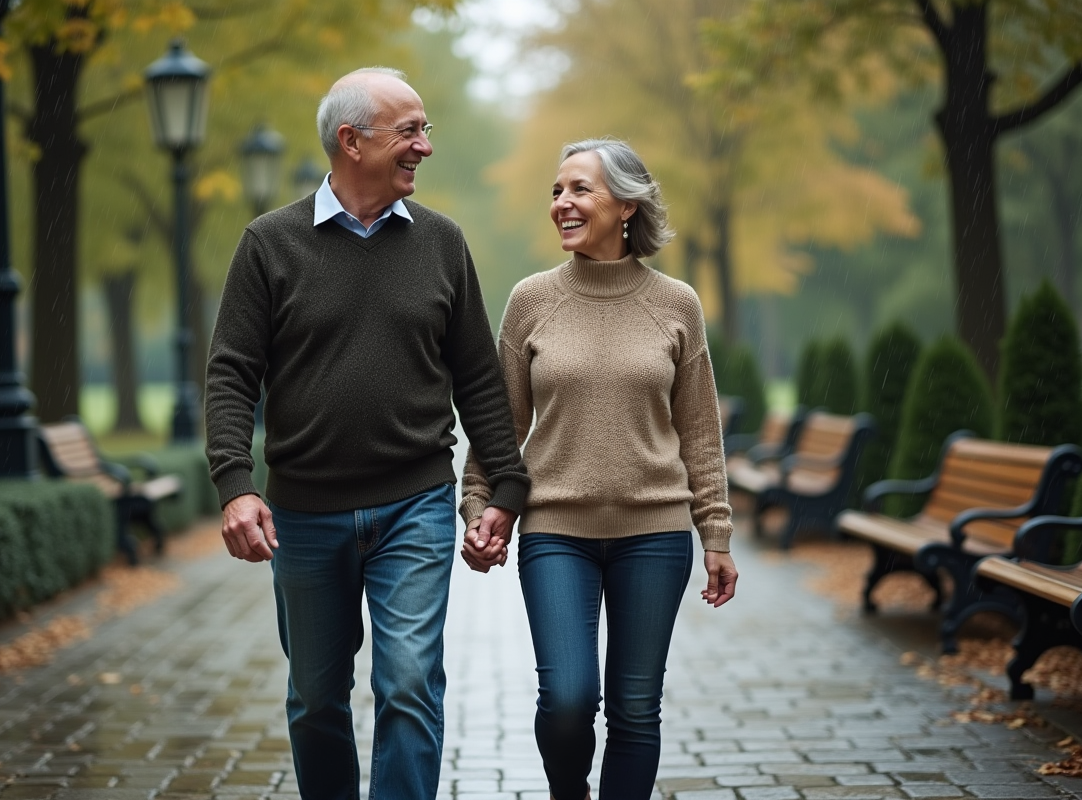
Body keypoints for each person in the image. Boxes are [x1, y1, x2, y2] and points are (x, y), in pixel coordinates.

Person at [204, 67, 529, 800]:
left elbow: (478, 377)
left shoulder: (442, 243)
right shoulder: (269, 244)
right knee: (316, 699)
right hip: (304, 514)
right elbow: (230, 374)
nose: (425, 147)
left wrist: (504, 489)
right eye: (409, 131)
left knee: (409, 683)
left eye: (425, 129)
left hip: (413, 501)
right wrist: (235, 485)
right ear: (352, 141)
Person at [460, 138, 738, 800]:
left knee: (636, 710)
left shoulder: (677, 305)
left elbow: (699, 429)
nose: (562, 203)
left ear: (626, 206)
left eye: (580, 189)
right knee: (567, 696)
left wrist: (716, 534)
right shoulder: (530, 300)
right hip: (556, 530)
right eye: (557, 191)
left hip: (656, 534)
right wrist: (478, 506)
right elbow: (502, 426)